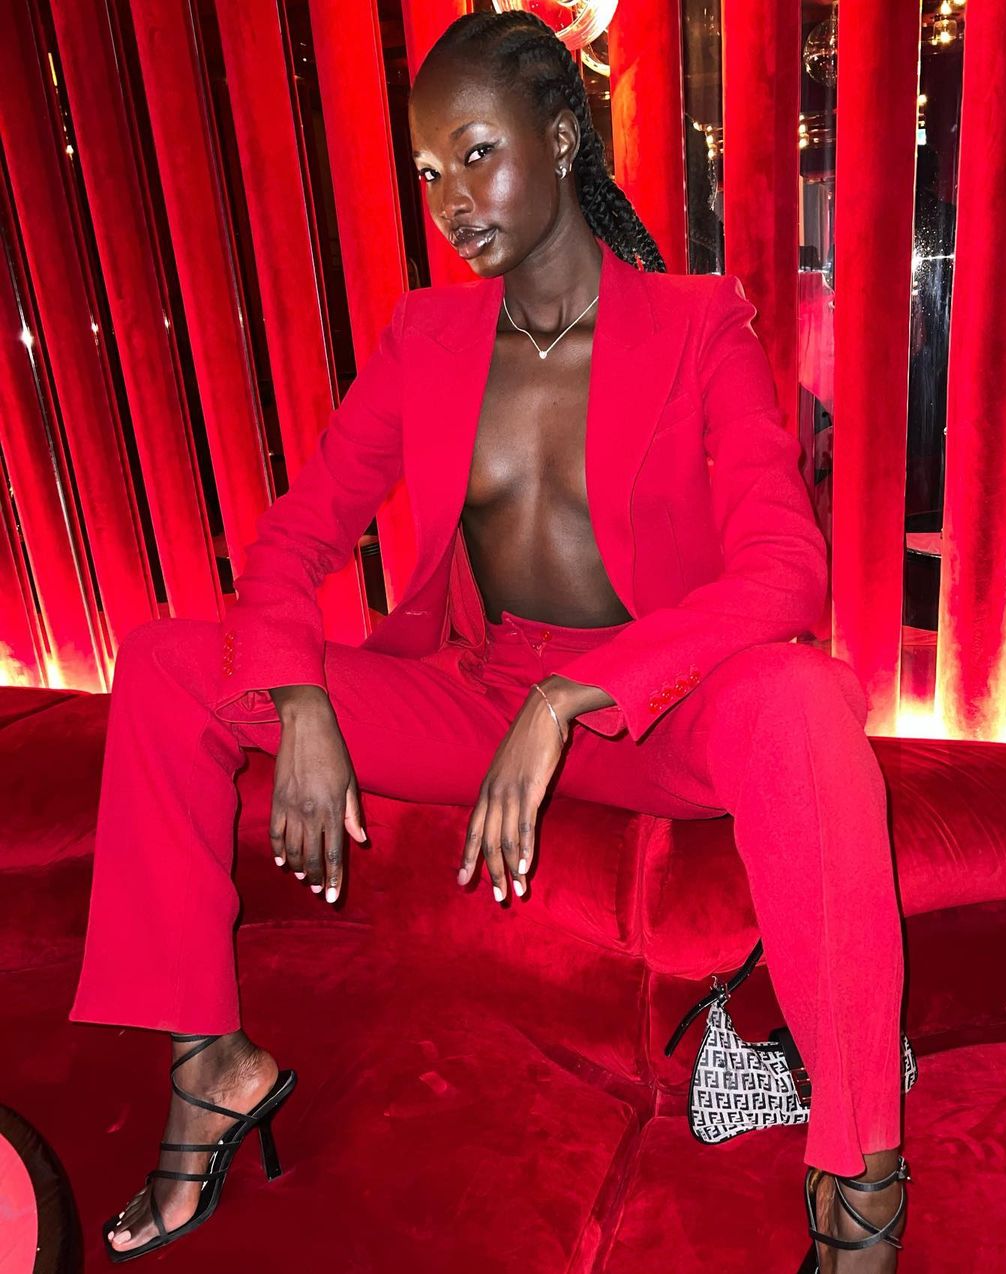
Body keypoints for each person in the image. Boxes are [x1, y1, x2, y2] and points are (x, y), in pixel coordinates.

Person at [69, 10, 909, 1270]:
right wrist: (299, 696)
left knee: (804, 702)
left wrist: (574, 694)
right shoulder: (426, 341)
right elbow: (291, 541)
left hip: (657, 703)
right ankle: (212, 1067)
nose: (451, 200)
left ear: (560, 135)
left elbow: (786, 569)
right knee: (166, 663)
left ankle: (861, 1178)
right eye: (428, 173)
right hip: (479, 690)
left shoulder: (698, 323)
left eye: (476, 153)